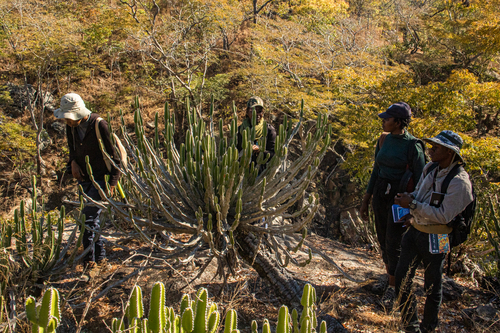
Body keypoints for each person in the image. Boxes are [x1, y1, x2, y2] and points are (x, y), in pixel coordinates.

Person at [394, 130, 473, 333]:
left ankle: (428, 327)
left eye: (435, 148)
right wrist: (409, 201)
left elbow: (444, 216)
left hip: (438, 236)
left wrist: (411, 204)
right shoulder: (431, 168)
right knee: (401, 277)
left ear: (449, 152)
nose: (430, 150)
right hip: (415, 230)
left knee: (432, 286)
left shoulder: (460, 183)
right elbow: (420, 194)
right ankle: (410, 326)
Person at [360, 102, 426, 292]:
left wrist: (414, 210)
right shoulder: (383, 140)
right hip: (381, 193)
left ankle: (396, 289)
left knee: (394, 241)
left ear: (398, 122)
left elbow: (421, 180)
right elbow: (376, 170)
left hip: (400, 198)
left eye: (387, 119)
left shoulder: (413, 146)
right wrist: (366, 199)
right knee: (382, 237)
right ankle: (391, 279)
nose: (383, 121)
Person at [54, 93, 121, 266]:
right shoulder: (72, 127)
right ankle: (99, 258)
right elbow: (72, 149)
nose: (68, 122)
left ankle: (88, 259)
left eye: (70, 118)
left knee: (87, 218)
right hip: (85, 177)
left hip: (102, 178)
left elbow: (115, 157)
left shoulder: (99, 125)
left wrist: (112, 183)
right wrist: (72, 164)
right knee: (92, 220)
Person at [237, 96, 277, 172]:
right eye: (252, 111)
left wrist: (261, 150)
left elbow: (274, 154)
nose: (257, 114)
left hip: (261, 172)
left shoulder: (269, 130)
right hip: (242, 171)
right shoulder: (241, 129)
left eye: (259, 111)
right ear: (247, 112)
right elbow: (235, 150)